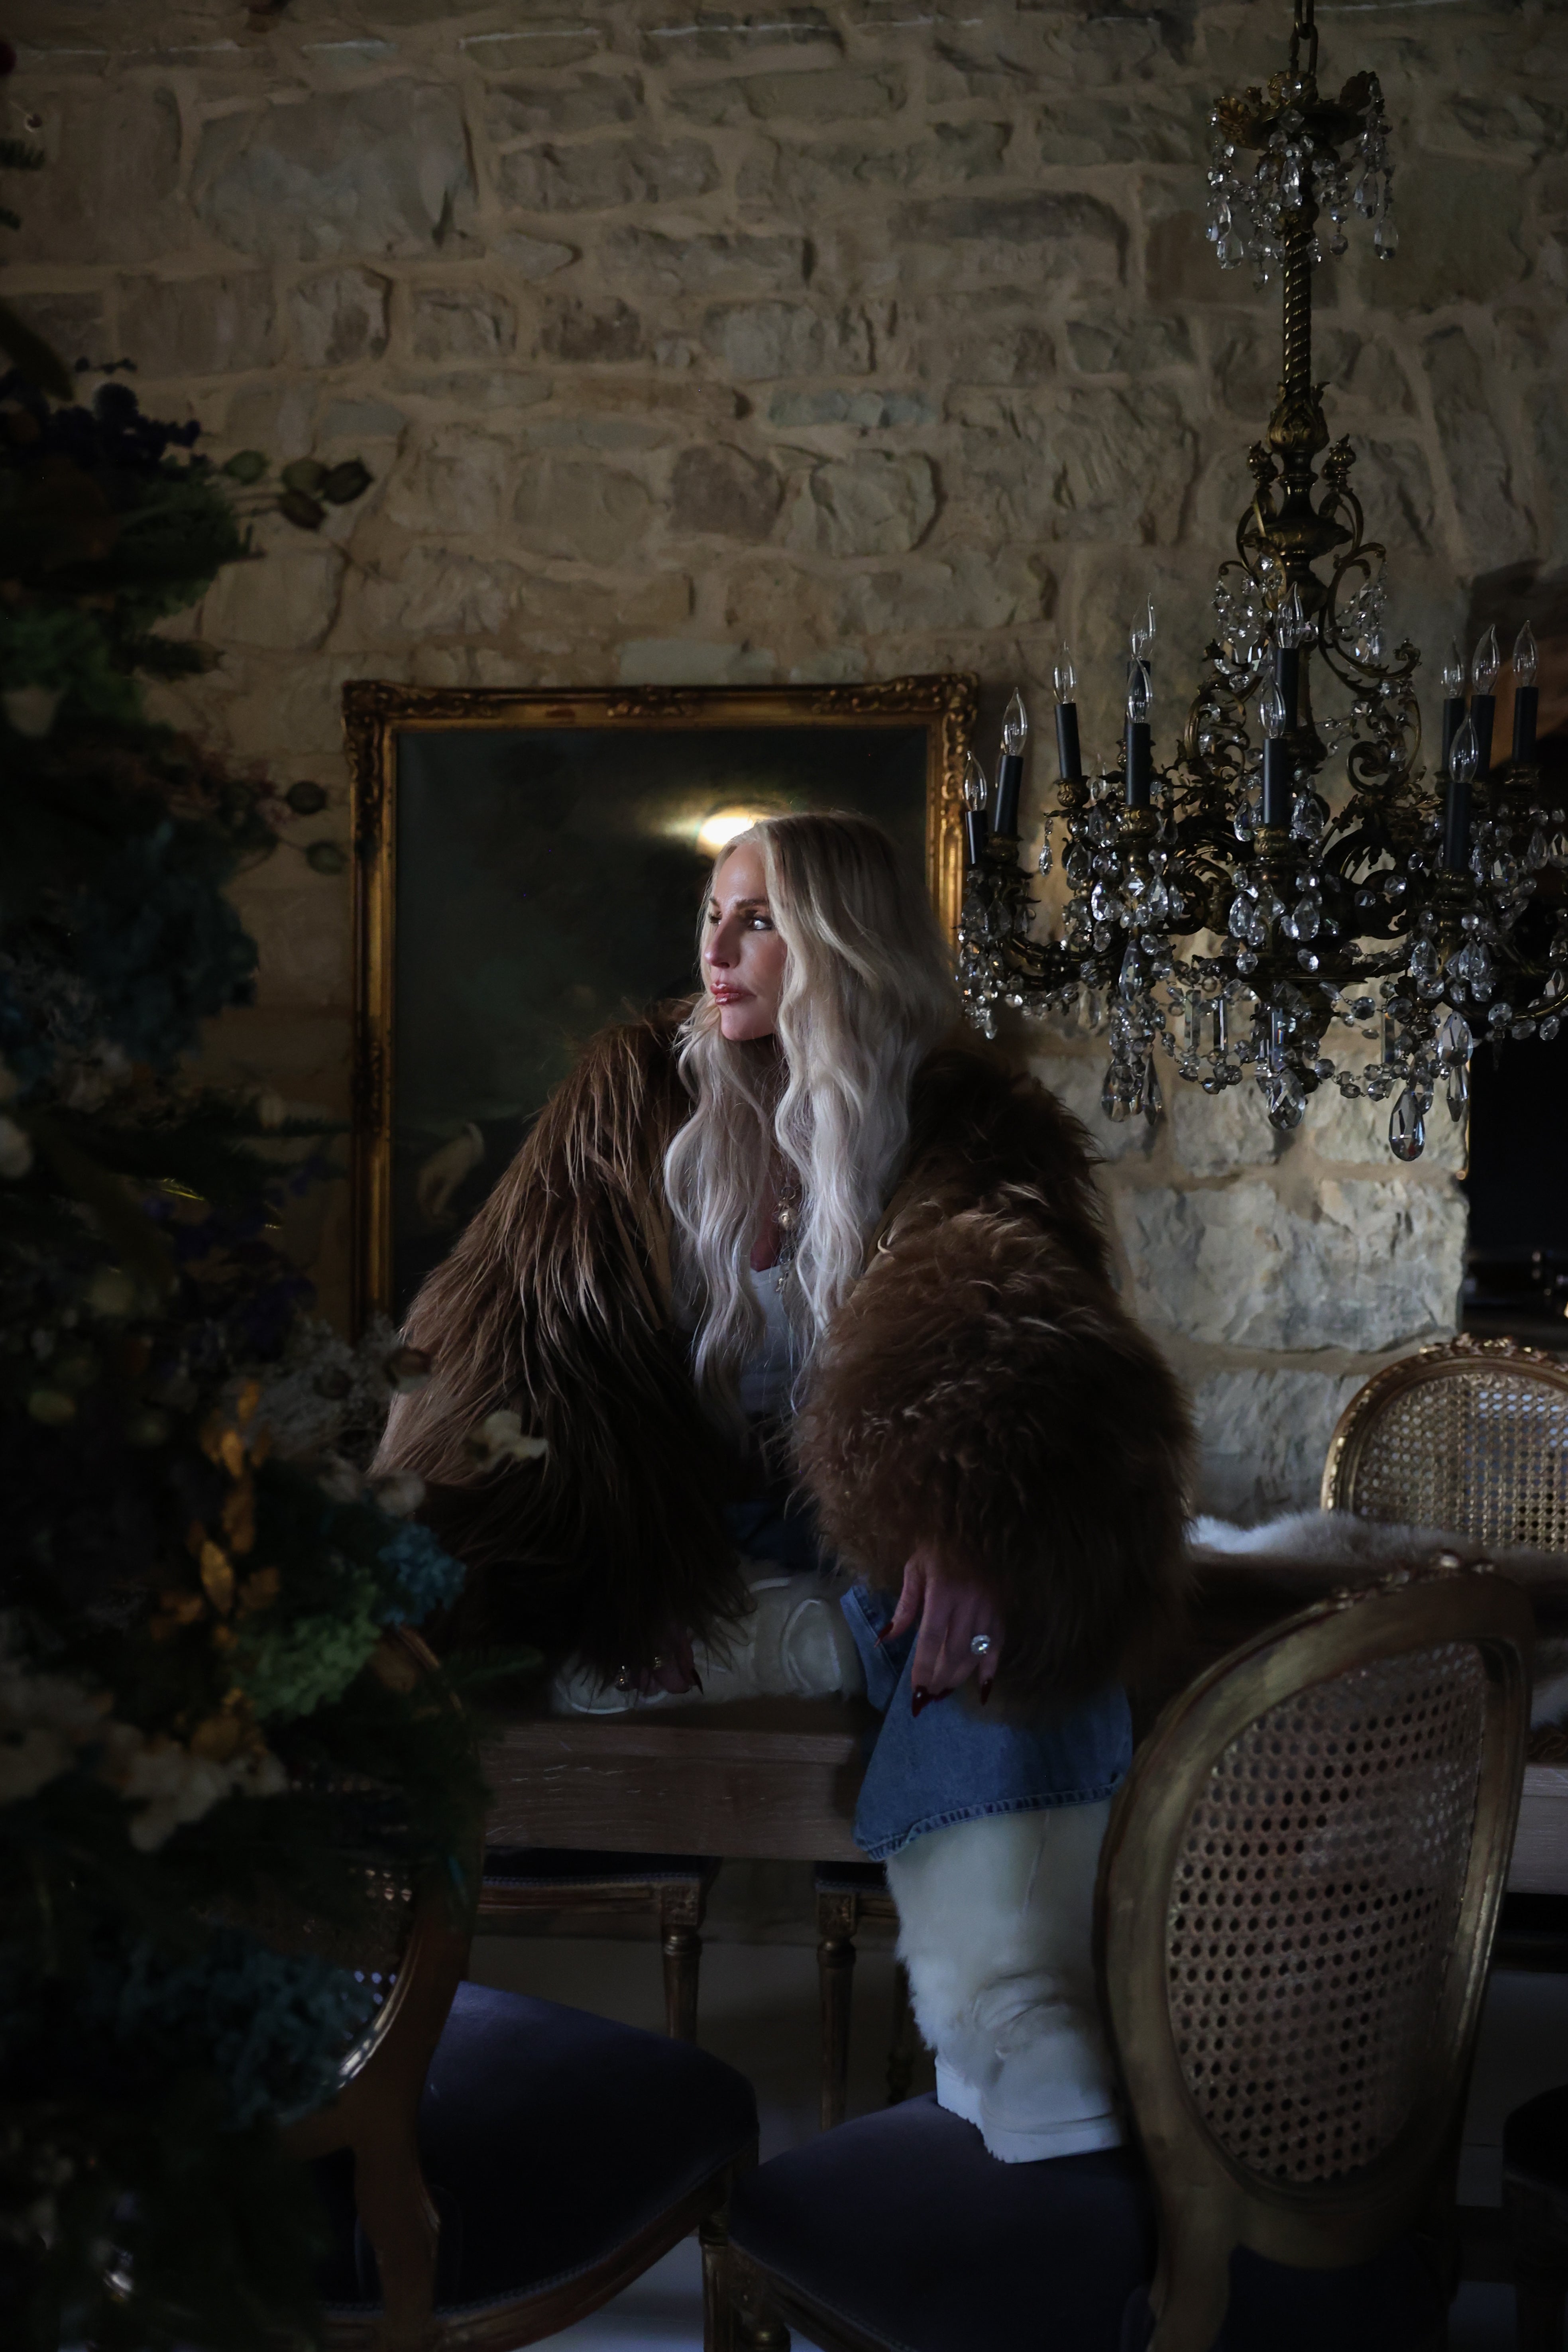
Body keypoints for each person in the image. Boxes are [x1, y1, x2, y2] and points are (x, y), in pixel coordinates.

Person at [377, 811, 1193, 2160]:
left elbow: (1028, 1335)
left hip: (864, 1540)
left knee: (1007, 1619)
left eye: (760, 919)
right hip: (689, 1534)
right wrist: (579, 1561)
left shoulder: (969, 1126)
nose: (719, 944)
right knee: (563, 1634)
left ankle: (1014, 2013)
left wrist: (973, 1510)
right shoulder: (629, 1100)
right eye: (713, 914)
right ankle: (808, 1638)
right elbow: (505, 1344)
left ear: (845, 942)